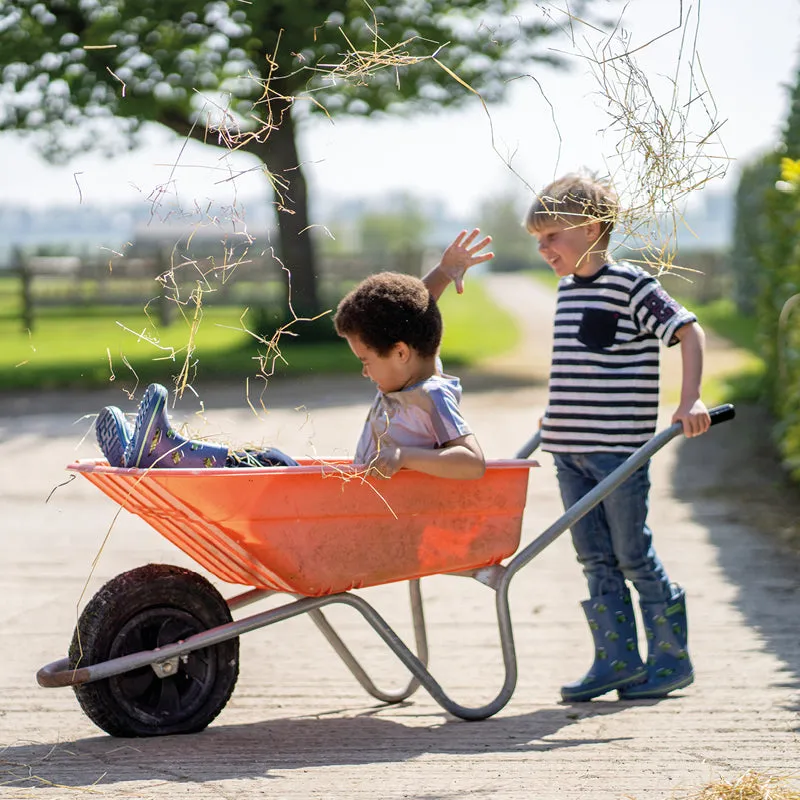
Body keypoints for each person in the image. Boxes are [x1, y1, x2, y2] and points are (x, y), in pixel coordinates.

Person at [519, 172, 711, 702]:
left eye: (551, 236)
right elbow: (578, 366)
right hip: (569, 452)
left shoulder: (632, 285)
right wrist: (558, 412)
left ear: (590, 228)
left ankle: (671, 659)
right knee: (593, 558)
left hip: (618, 454)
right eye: (538, 240)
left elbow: (688, 331)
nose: (543, 248)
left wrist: (689, 398)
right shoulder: (564, 291)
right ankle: (617, 660)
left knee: (631, 554)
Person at [95, 231, 494, 481]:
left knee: (266, 464)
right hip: (357, 501)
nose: (364, 372)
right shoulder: (409, 365)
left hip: (366, 512)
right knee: (264, 462)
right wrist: (442, 272)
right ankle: (157, 454)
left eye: (366, 361)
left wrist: (407, 456)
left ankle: (164, 453)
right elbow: (411, 314)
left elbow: (471, 461)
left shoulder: (433, 394)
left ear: (401, 353)